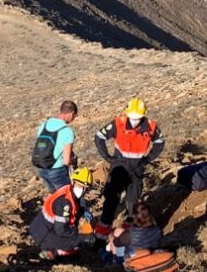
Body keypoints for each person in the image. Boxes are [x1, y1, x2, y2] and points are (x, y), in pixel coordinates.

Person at [93, 98, 165, 236]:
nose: (134, 120)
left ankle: (126, 235)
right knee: (111, 201)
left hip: (136, 168)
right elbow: (99, 137)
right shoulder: (119, 123)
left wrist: (148, 158)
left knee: (132, 202)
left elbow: (160, 142)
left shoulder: (150, 126)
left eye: (137, 117)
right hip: (119, 166)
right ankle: (100, 237)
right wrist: (107, 156)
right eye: (132, 117)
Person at [29, 167, 97, 260]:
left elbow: (76, 211)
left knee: (83, 233)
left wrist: (84, 214)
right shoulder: (64, 202)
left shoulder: (69, 191)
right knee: (81, 240)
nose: (83, 190)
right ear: (73, 182)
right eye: (80, 186)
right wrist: (80, 235)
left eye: (86, 188)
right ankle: (54, 251)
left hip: (44, 227)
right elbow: (60, 229)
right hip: (43, 234)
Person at [31, 100, 78, 193]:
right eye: (74, 116)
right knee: (66, 199)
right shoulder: (67, 131)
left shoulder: (44, 124)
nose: (73, 119)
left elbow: (40, 144)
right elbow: (66, 160)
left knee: (54, 197)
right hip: (57, 171)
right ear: (71, 113)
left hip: (42, 169)